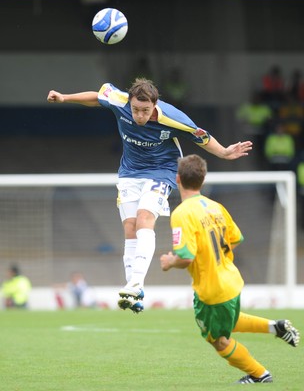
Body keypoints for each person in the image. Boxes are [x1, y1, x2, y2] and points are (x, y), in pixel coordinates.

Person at [47, 77, 252, 314]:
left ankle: (135, 284)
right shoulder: (118, 100)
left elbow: (201, 135)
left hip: (161, 171)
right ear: (130, 102)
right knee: (130, 227)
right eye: (135, 110)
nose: (139, 115)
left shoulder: (172, 117)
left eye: (145, 111)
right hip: (129, 173)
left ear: (155, 105)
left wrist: (225, 152)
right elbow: (96, 96)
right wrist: (64, 97)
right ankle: (133, 290)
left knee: (145, 218)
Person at [160, 154, 300, 384]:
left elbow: (185, 257)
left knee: (219, 340)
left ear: (177, 179)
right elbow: (236, 238)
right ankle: (276, 327)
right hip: (231, 279)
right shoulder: (215, 207)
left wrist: (168, 262)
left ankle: (259, 374)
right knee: (230, 322)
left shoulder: (182, 214)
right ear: (203, 180)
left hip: (212, 288)